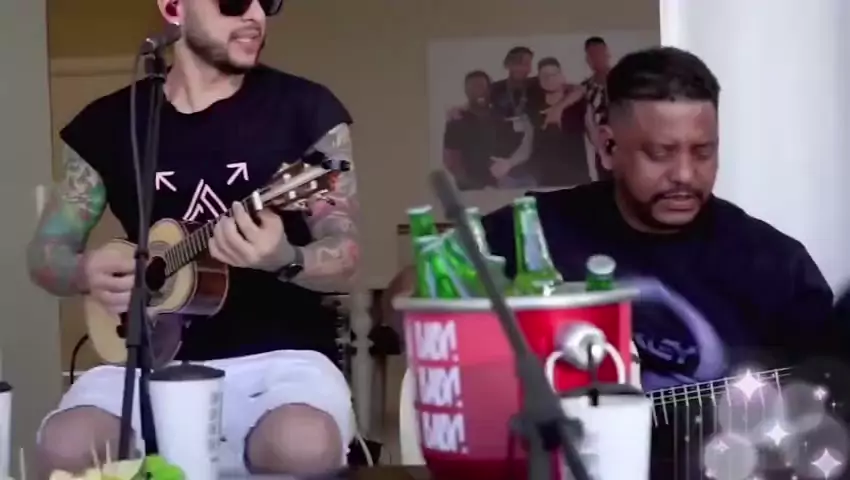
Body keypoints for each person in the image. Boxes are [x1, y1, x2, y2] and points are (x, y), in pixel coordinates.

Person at [385, 46, 842, 475]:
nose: (685, 174)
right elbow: (404, 295)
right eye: (660, 153)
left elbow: (829, 408)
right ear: (607, 147)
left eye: (703, 152)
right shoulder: (539, 229)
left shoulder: (773, 262)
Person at [27, 0, 359, 476]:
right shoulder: (109, 123)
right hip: (147, 364)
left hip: (280, 364)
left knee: (301, 443)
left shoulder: (307, 110)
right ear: (173, 6)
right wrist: (84, 272)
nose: (255, 15)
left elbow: (346, 254)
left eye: (267, 1)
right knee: (66, 445)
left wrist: (284, 257)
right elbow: (43, 255)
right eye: (233, 1)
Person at [442, 70, 531, 190]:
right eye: (473, 87)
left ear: (489, 90)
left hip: (504, 186)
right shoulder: (457, 121)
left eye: (482, 86)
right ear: (466, 91)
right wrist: (472, 185)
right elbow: (451, 160)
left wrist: (507, 172)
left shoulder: (502, 116)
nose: (478, 91)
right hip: (472, 189)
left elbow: (520, 147)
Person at [525, 57, 590, 186]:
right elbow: (528, 139)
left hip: (577, 176)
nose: (549, 79)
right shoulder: (532, 104)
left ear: (562, 77)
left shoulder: (579, 103)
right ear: (539, 79)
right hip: (544, 178)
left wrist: (558, 108)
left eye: (554, 74)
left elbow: (592, 131)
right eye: (544, 75)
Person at [581, 36, 613, 181]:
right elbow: (587, 120)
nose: (597, 59)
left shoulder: (623, 81)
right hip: (599, 148)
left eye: (600, 53)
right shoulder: (585, 88)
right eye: (592, 55)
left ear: (607, 54)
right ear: (587, 59)